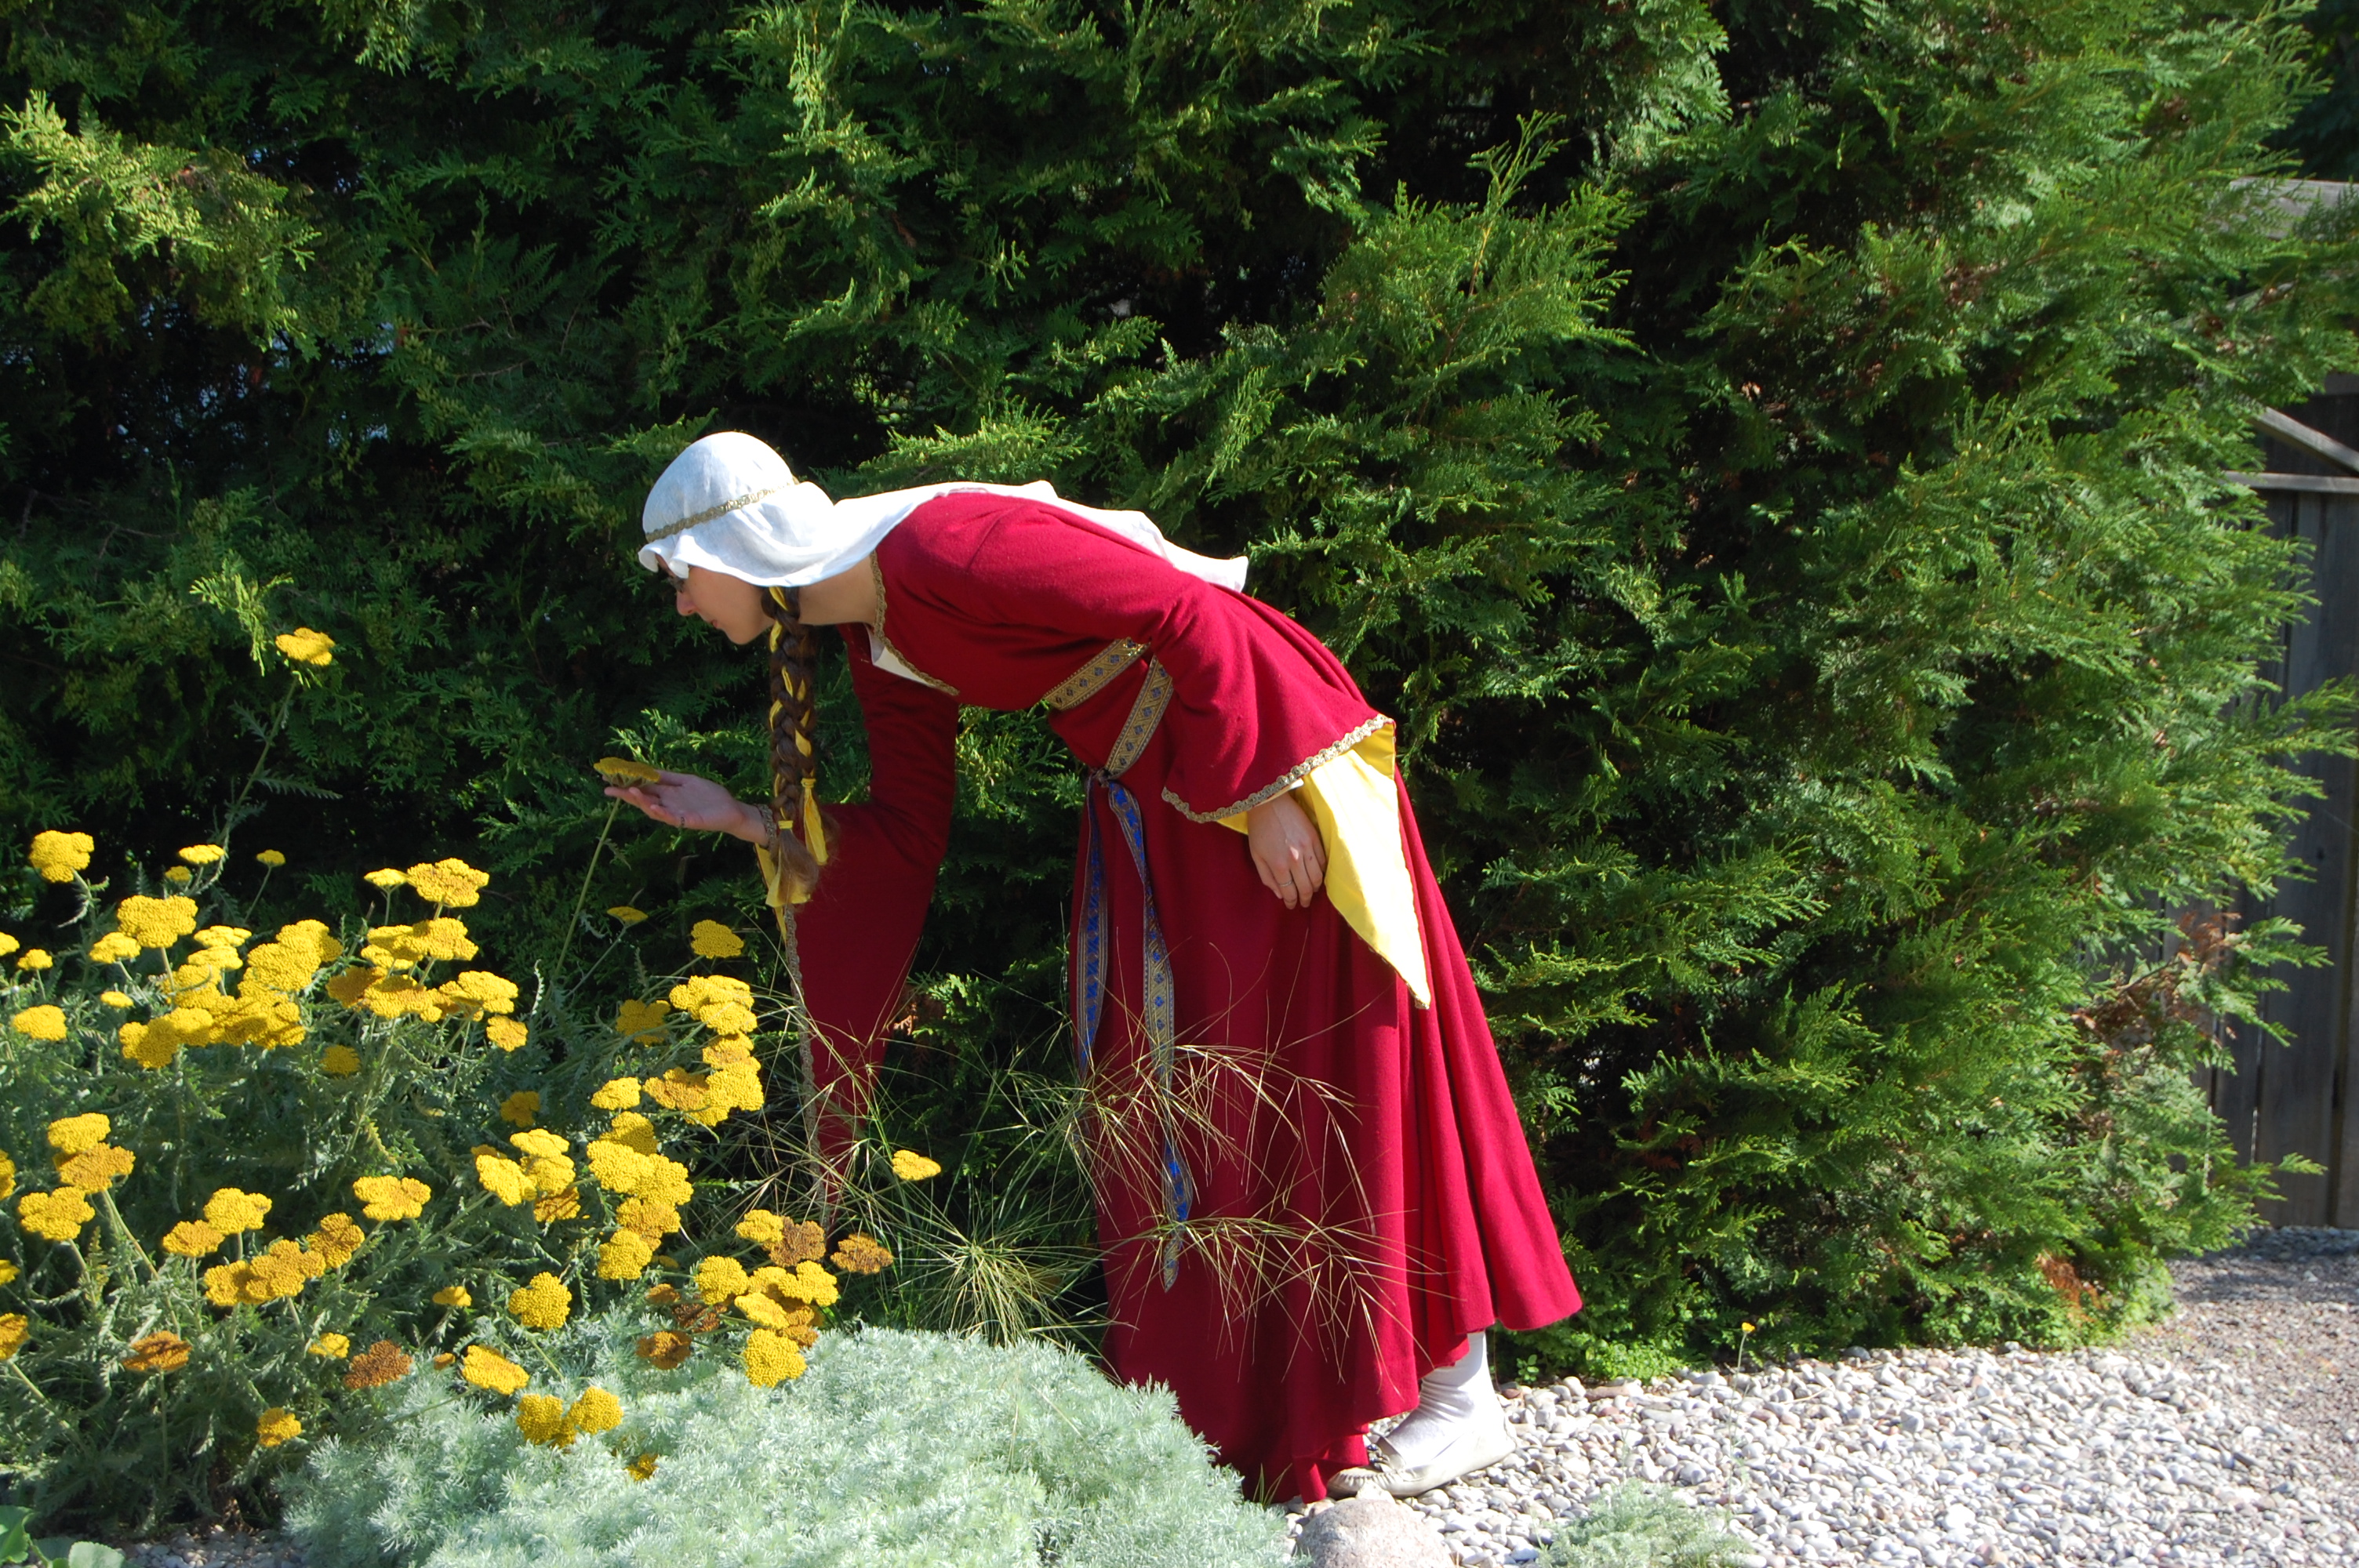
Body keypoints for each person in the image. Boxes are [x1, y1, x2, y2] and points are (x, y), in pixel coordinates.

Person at [608, 430, 1580, 1502]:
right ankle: (1257, 1413)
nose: (684, 608)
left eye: (679, 579)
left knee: (1341, 1062)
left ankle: (1460, 1399)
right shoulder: (874, 629)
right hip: (1160, 802)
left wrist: (1262, 794)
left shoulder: (946, 547)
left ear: (733, 547)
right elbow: (905, 831)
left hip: (1260, 761)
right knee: (1195, 1108)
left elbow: (1189, 611)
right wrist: (744, 818)